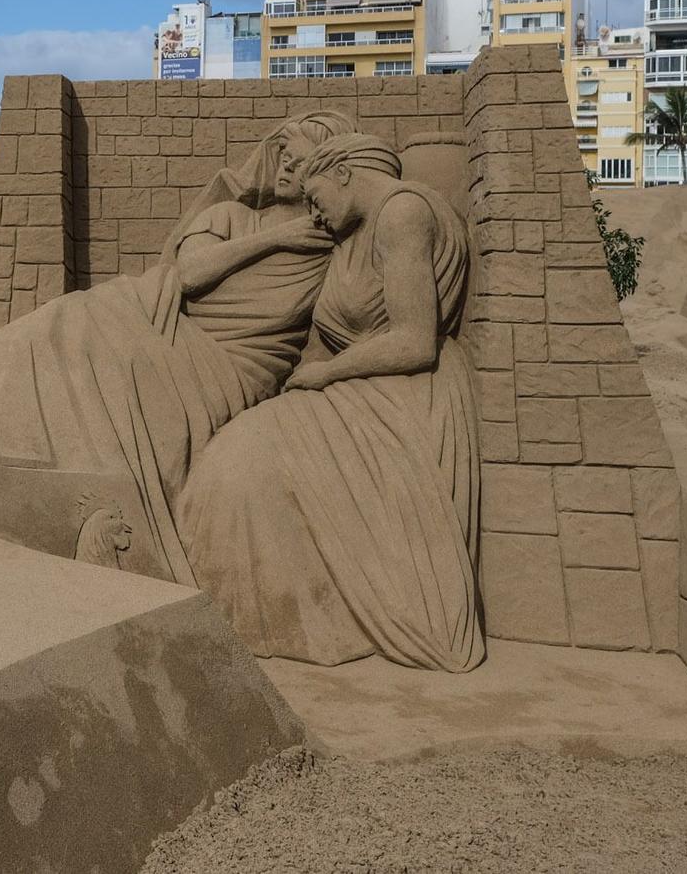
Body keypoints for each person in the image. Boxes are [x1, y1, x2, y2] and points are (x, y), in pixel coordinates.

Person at [0, 110, 351, 583]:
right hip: (162, 325)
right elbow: (190, 274)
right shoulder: (229, 216)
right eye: (283, 157)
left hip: (232, 370)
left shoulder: (331, 254)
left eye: (301, 160)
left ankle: (100, 519)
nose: (287, 168)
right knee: (62, 327)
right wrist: (277, 237)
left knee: (105, 361)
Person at [177, 133, 484, 672]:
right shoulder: (350, 237)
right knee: (235, 456)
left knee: (243, 462)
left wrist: (325, 376)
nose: (312, 212)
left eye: (314, 195)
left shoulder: (403, 212)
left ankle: (319, 621)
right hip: (359, 390)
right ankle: (288, 614)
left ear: (342, 171)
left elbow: (414, 341)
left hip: (405, 396)